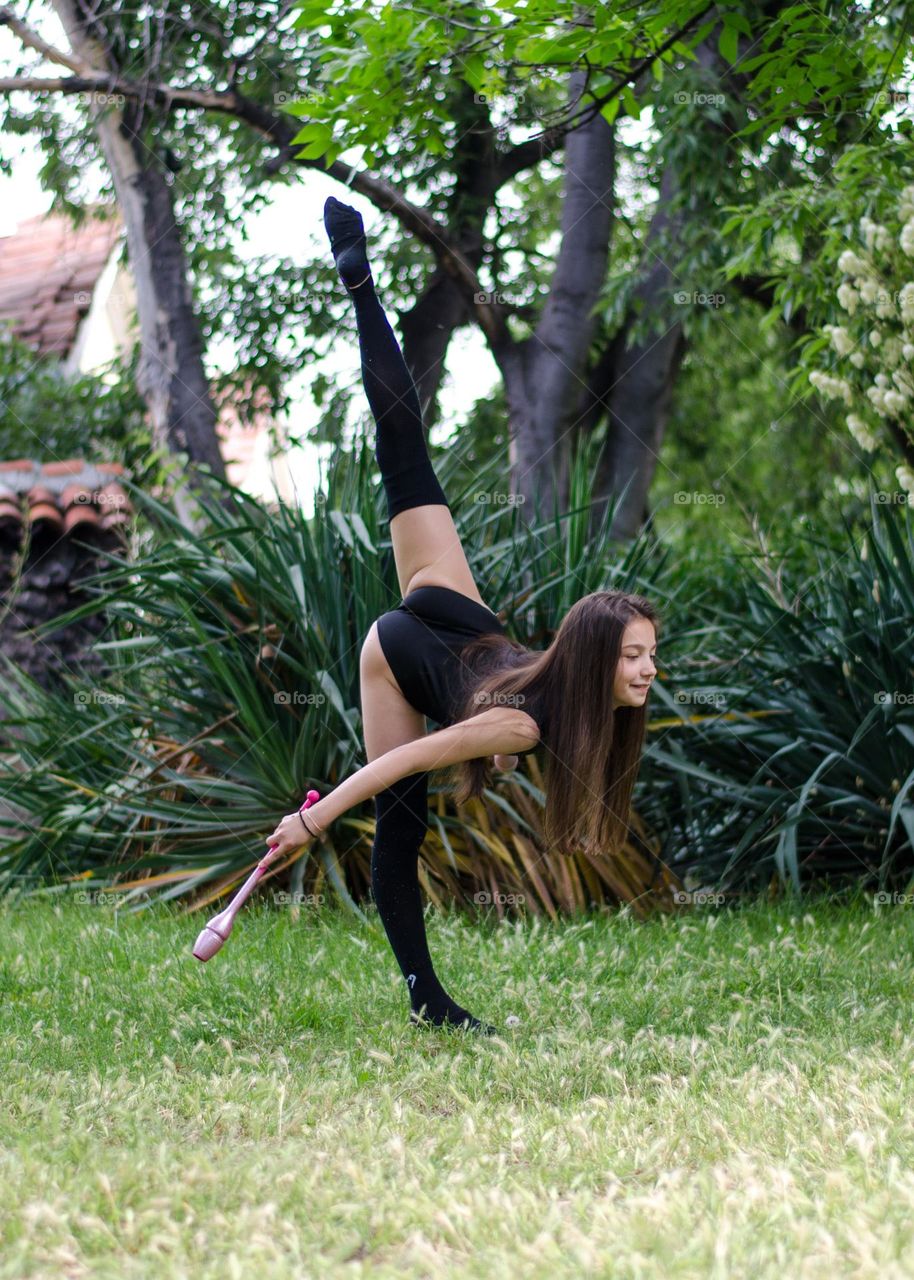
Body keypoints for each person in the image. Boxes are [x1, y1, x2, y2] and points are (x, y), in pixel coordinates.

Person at [262, 196, 661, 1034]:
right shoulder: (518, 726)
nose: (648, 671)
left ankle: (360, 280)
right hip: (400, 652)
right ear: (593, 659)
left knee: (403, 441)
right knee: (400, 823)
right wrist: (313, 818)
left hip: (463, 617)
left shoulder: (547, 697)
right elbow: (401, 766)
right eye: (633, 656)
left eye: (649, 655)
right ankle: (426, 1000)